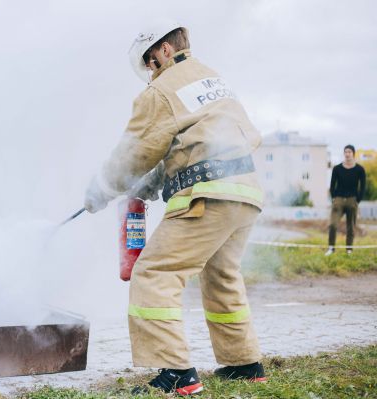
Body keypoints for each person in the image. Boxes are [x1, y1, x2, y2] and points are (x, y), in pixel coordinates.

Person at [84, 22, 266, 395]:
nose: (151, 72)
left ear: (164, 49)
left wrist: (101, 188)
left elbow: (135, 151)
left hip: (207, 194)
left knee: (155, 273)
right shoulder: (211, 80)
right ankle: (245, 364)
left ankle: (178, 374)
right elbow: (188, 142)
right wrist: (152, 182)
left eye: (151, 62)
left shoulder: (162, 90)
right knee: (222, 274)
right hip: (244, 191)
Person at [325, 145, 366, 256]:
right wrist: (333, 197)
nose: (347, 154)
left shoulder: (360, 169)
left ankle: (349, 250)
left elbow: (362, 186)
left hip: (352, 200)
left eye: (349, 152)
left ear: (353, 153)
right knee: (333, 224)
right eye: (345, 152)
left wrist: (358, 200)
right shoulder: (337, 168)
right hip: (338, 199)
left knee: (350, 226)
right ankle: (331, 249)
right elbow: (332, 184)